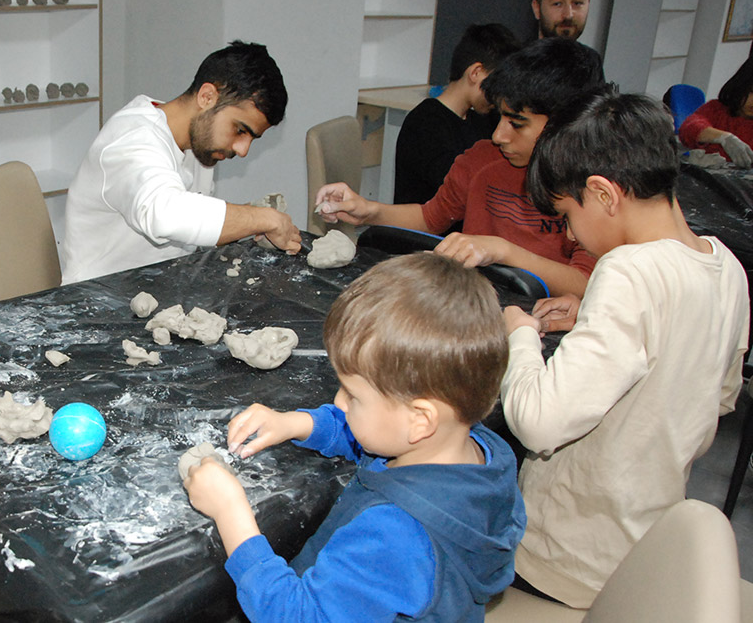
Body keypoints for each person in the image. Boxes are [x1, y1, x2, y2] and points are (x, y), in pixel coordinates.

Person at [500, 88, 750, 608]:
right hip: (643, 550)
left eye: (567, 216)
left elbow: (539, 421)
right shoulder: (726, 266)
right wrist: (592, 317)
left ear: (604, 193)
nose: (568, 236)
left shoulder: (628, 271)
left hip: (562, 560)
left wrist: (520, 334)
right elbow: (717, 398)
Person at [183, 252, 525, 622]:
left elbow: (299, 616)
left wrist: (231, 513)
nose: (338, 402)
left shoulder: (395, 535)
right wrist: (297, 423)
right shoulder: (479, 451)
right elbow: (377, 437)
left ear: (421, 419)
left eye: (353, 395)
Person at [315, 37, 604, 298]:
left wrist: (502, 251)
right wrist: (370, 211)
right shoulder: (483, 160)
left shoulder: (589, 188)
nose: (498, 135)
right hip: (469, 307)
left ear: (565, 124)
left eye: (516, 123)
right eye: (499, 118)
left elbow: (587, 283)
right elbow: (431, 218)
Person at [60, 40, 301, 284]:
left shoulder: (199, 145)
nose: (243, 150)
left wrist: (248, 224)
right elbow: (164, 214)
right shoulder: (132, 140)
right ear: (207, 97)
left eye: (252, 138)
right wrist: (261, 219)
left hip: (160, 286)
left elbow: (189, 223)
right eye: (239, 130)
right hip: (97, 299)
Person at [394, 23, 521, 205]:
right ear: (476, 73)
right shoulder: (425, 123)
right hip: (428, 230)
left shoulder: (482, 119)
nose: (501, 96)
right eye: (499, 84)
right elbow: (458, 188)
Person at [678, 57, 753, 168]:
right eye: (752, 92)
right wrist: (724, 138)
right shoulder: (717, 110)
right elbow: (689, 128)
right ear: (741, 86)